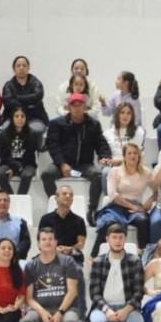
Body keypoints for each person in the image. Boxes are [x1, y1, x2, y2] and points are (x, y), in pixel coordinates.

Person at [19, 228, 79, 322]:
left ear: (56, 242)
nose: (47, 242)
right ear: (38, 244)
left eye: (50, 239)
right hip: (41, 309)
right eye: (44, 239)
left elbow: (72, 292)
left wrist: (60, 312)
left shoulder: (68, 261)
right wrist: (42, 312)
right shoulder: (31, 266)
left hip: (66, 308)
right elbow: (29, 298)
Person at [42, 93, 111, 225]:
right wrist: (62, 164)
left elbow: (101, 144)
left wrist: (104, 158)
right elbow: (53, 145)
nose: (77, 108)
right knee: (46, 174)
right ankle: (56, 205)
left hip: (83, 165)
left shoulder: (93, 124)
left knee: (97, 175)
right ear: (68, 107)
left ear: (85, 107)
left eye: (80, 105)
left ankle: (92, 209)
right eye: (74, 106)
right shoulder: (56, 123)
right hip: (61, 164)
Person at [88, 225, 144, 322]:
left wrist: (127, 309)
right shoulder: (98, 262)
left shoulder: (135, 261)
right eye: (114, 237)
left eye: (121, 237)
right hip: (103, 307)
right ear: (107, 240)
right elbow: (94, 293)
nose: (118, 241)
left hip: (128, 307)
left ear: (125, 239)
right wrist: (107, 310)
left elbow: (139, 292)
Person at [92, 142, 154, 257]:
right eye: (129, 153)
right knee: (109, 223)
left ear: (139, 156)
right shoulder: (115, 171)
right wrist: (132, 207)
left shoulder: (146, 172)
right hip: (117, 205)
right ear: (124, 157)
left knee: (143, 220)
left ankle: (144, 255)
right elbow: (113, 195)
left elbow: (158, 190)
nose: (132, 156)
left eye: (135, 153)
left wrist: (150, 200)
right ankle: (94, 256)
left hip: (136, 207)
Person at [0, 55, 48, 146]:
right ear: (14, 69)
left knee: (36, 129)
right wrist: (28, 104)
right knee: (6, 128)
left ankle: (34, 155)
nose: (21, 68)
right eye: (18, 66)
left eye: (24, 65)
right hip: (12, 118)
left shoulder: (36, 83)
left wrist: (17, 98)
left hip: (34, 117)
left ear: (28, 68)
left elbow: (37, 97)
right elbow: (8, 102)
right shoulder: (8, 85)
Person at [37, 184, 86, 267]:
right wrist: (53, 250)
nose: (68, 196)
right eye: (64, 194)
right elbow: (40, 242)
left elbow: (81, 243)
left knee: (77, 271)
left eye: (70, 195)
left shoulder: (79, 221)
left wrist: (70, 249)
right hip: (50, 255)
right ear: (56, 198)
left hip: (72, 257)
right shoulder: (45, 219)